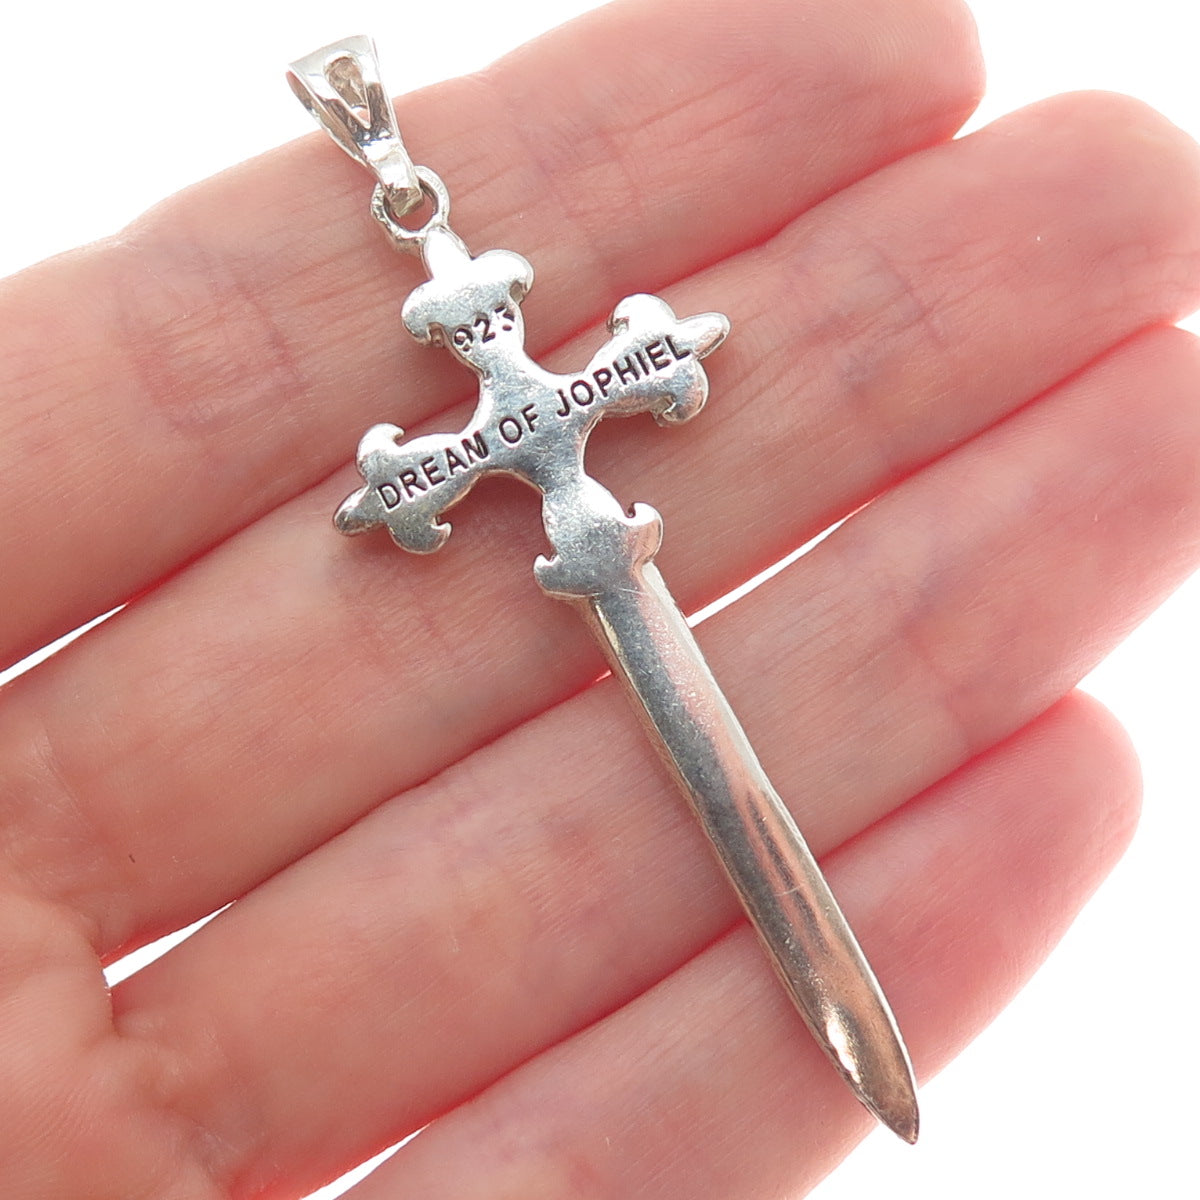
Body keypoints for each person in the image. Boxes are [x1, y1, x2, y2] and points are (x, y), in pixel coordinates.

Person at [1, 0, 1197, 1196]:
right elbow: (399, 488)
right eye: (472, 333)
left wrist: (644, 364)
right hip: (592, 550)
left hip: (605, 543)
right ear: (456, 344)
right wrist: (432, 474)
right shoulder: (471, 443)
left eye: (498, 320)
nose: (491, 338)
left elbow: (662, 351)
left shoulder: (592, 377)